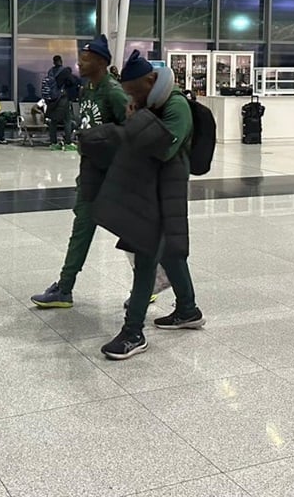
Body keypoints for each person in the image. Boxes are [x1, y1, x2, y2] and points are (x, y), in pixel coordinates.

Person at [97, 50, 204, 360]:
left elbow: (164, 149)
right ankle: (188, 309)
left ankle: (133, 332)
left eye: (134, 89)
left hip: (165, 191)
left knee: (146, 257)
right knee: (168, 253)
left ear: (151, 80)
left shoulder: (176, 105)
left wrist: (136, 119)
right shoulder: (151, 103)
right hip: (150, 189)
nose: (131, 95)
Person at [31, 35, 131, 308]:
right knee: (83, 228)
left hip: (111, 176)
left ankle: (152, 280)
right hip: (91, 173)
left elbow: (133, 130)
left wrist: (103, 140)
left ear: (100, 61)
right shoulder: (89, 88)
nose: (79, 62)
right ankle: (65, 288)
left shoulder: (113, 91)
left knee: (133, 231)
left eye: (85, 58)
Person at [45, 55, 77, 151]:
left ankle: (53, 143)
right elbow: (72, 82)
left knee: (53, 122)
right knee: (67, 120)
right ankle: (68, 143)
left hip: (52, 100)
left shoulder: (50, 72)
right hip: (62, 99)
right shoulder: (65, 71)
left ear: (54, 62)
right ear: (61, 61)